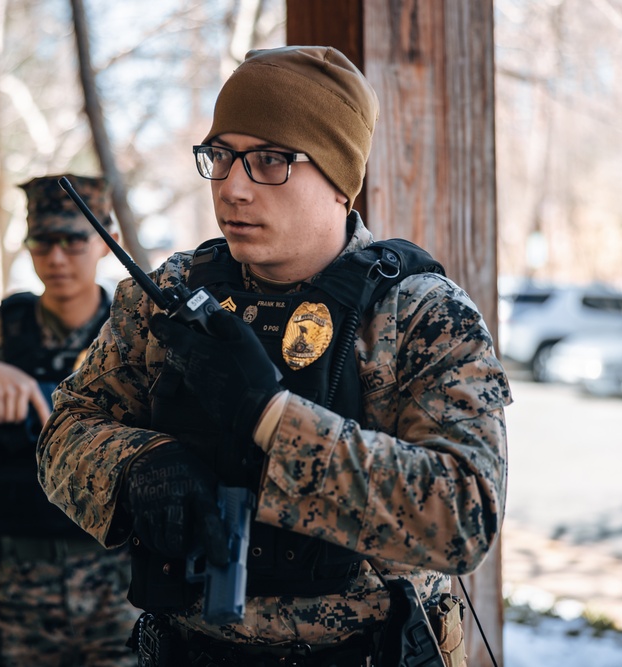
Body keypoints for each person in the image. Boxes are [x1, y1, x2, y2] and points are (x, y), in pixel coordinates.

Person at [36, 46, 511, 667]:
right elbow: (64, 432)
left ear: (341, 181)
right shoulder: (169, 296)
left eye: (270, 161)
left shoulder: (420, 313)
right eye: (221, 157)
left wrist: (270, 417)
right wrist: (140, 465)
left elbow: (462, 516)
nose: (233, 188)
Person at [0, 174, 139, 667]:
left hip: (121, 590)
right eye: (42, 242)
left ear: (108, 244)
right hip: (19, 588)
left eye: (73, 240)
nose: (56, 258)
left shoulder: (137, 336)